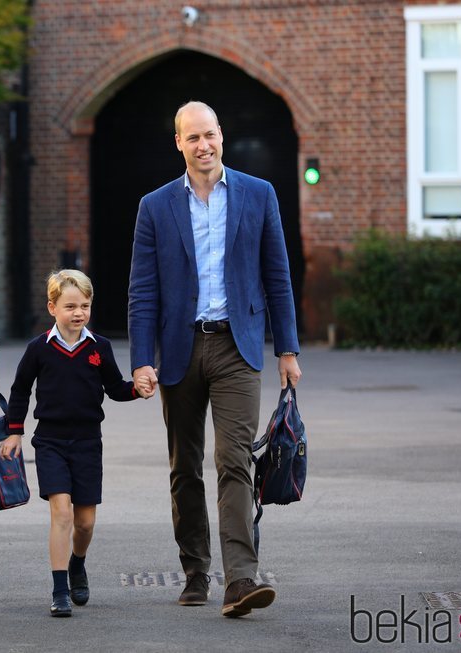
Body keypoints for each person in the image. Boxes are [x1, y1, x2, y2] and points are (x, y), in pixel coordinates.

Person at [127, 101, 302, 618]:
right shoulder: (155, 206)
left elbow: (278, 275)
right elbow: (142, 291)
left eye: (210, 135)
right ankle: (196, 570)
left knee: (235, 462)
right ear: (177, 143)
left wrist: (286, 349)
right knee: (185, 468)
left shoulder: (258, 193)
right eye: (192, 138)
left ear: (221, 135)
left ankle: (241, 580)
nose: (203, 146)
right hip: (179, 350)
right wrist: (141, 359)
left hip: (237, 346)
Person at [0, 269, 141, 617]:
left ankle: (78, 562)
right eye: (70, 306)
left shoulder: (99, 348)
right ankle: (60, 589)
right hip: (49, 441)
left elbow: (116, 388)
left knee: (85, 522)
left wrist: (138, 388)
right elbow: (19, 391)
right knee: (61, 513)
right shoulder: (38, 349)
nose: (78, 313)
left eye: (85, 306)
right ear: (52, 307)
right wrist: (14, 430)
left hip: (88, 443)